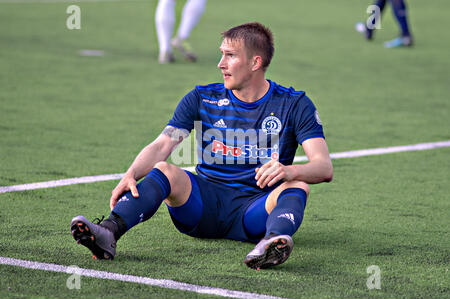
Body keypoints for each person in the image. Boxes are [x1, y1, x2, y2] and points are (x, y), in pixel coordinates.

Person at [70, 22, 333, 270]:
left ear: (256, 62)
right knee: (164, 169)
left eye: (230, 56)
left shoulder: (294, 104)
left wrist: (289, 172)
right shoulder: (202, 96)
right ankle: (108, 231)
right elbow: (163, 144)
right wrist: (131, 174)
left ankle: (271, 243)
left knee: (298, 185)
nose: (221, 64)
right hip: (202, 207)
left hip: (256, 209)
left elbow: (323, 166)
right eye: (222, 54)